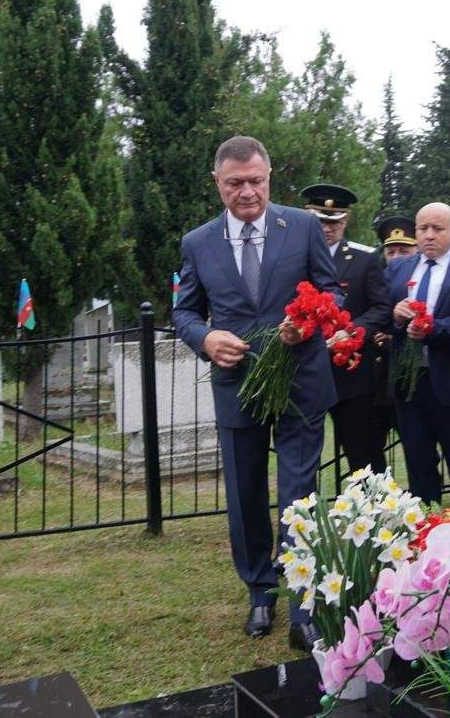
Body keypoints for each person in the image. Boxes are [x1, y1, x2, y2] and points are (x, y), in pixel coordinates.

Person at [173, 136, 337, 651]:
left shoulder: (306, 226)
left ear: (269, 177)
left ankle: (303, 605)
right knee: (245, 494)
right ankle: (260, 591)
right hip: (237, 384)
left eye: (256, 181)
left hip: (300, 380)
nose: (247, 192)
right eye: (234, 183)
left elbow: (331, 290)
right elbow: (182, 311)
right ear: (217, 184)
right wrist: (205, 337)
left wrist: (306, 322)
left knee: (299, 494)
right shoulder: (197, 243)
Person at [387, 202, 450, 506]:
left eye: (437, 229)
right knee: (418, 459)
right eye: (422, 229)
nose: (428, 235)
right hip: (409, 383)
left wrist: (434, 329)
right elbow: (382, 314)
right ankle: (424, 526)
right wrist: (396, 318)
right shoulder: (398, 267)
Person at [303, 184, 389, 474]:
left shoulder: (364, 259)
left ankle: (373, 514)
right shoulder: (293, 258)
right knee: (302, 456)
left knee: (362, 455)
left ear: (345, 221)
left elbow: (382, 307)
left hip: (350, 376)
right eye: (320, 221)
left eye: (333, 222)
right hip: (305, 370)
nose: (327, 228)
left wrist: (351, 331)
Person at [369, 215, 419, 468]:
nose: (397, 257)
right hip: (377, 382)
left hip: (410, 379)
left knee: (417, 447)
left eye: (404, 250)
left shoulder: (421, 279)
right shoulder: (375, 279)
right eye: (391, 251)